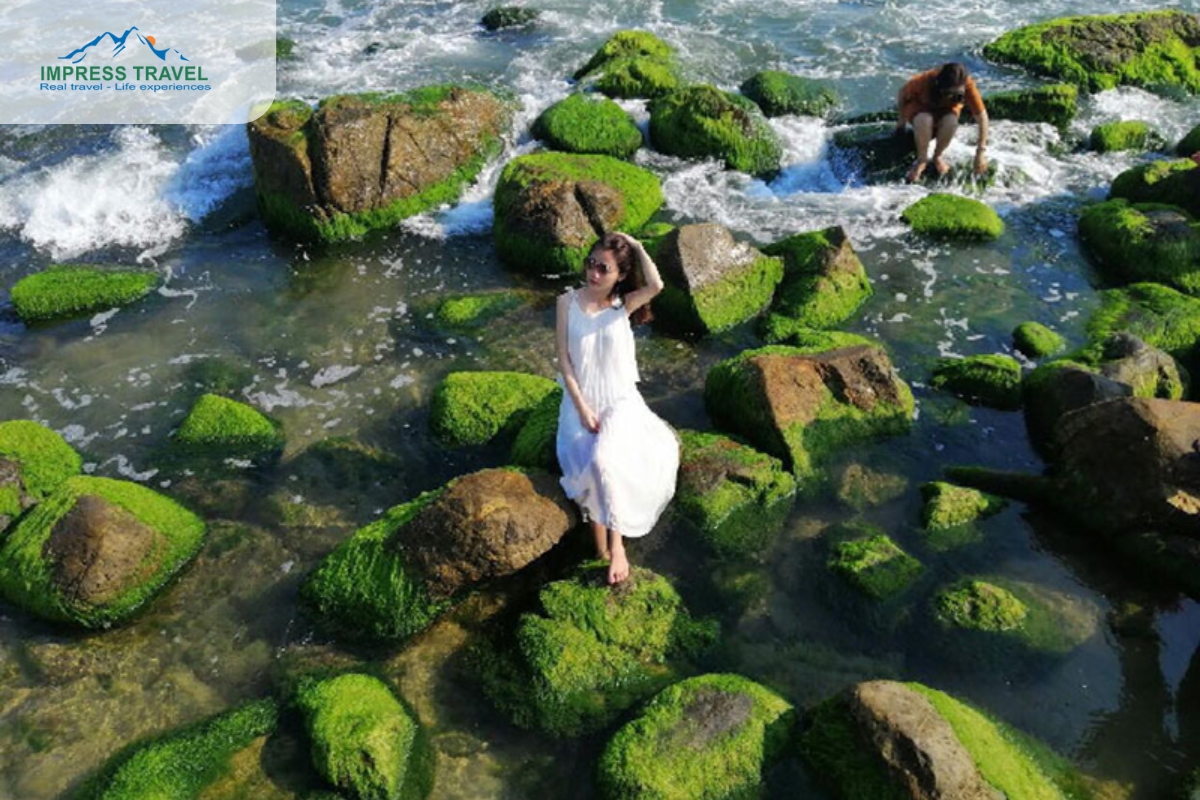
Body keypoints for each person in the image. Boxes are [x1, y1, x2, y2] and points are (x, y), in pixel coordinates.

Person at [555, 232, 679, 585]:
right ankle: (599, 550)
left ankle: (617, 544)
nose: (593, 273)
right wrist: (580, 407)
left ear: (619, 275)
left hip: (619, 399)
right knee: (584, 460)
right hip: (581, 400)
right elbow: (564, 361)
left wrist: (638, 247)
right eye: (591, 264)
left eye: (603, 268)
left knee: (603, 460)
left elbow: (656, 284)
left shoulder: (621, 305)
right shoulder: (566, 302)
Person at [895, 62, 989, 183]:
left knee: (951, 121)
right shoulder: (925, 80)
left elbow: (982, 118)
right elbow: (902, 93)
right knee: (925, 119)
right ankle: (922, 159)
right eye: (948, 93)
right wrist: (901, 121)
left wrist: (980, 153)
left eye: (957, 95)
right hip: (920, 110)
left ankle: (937, 156)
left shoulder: (968, 86)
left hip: (946, 113)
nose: (951, 97)